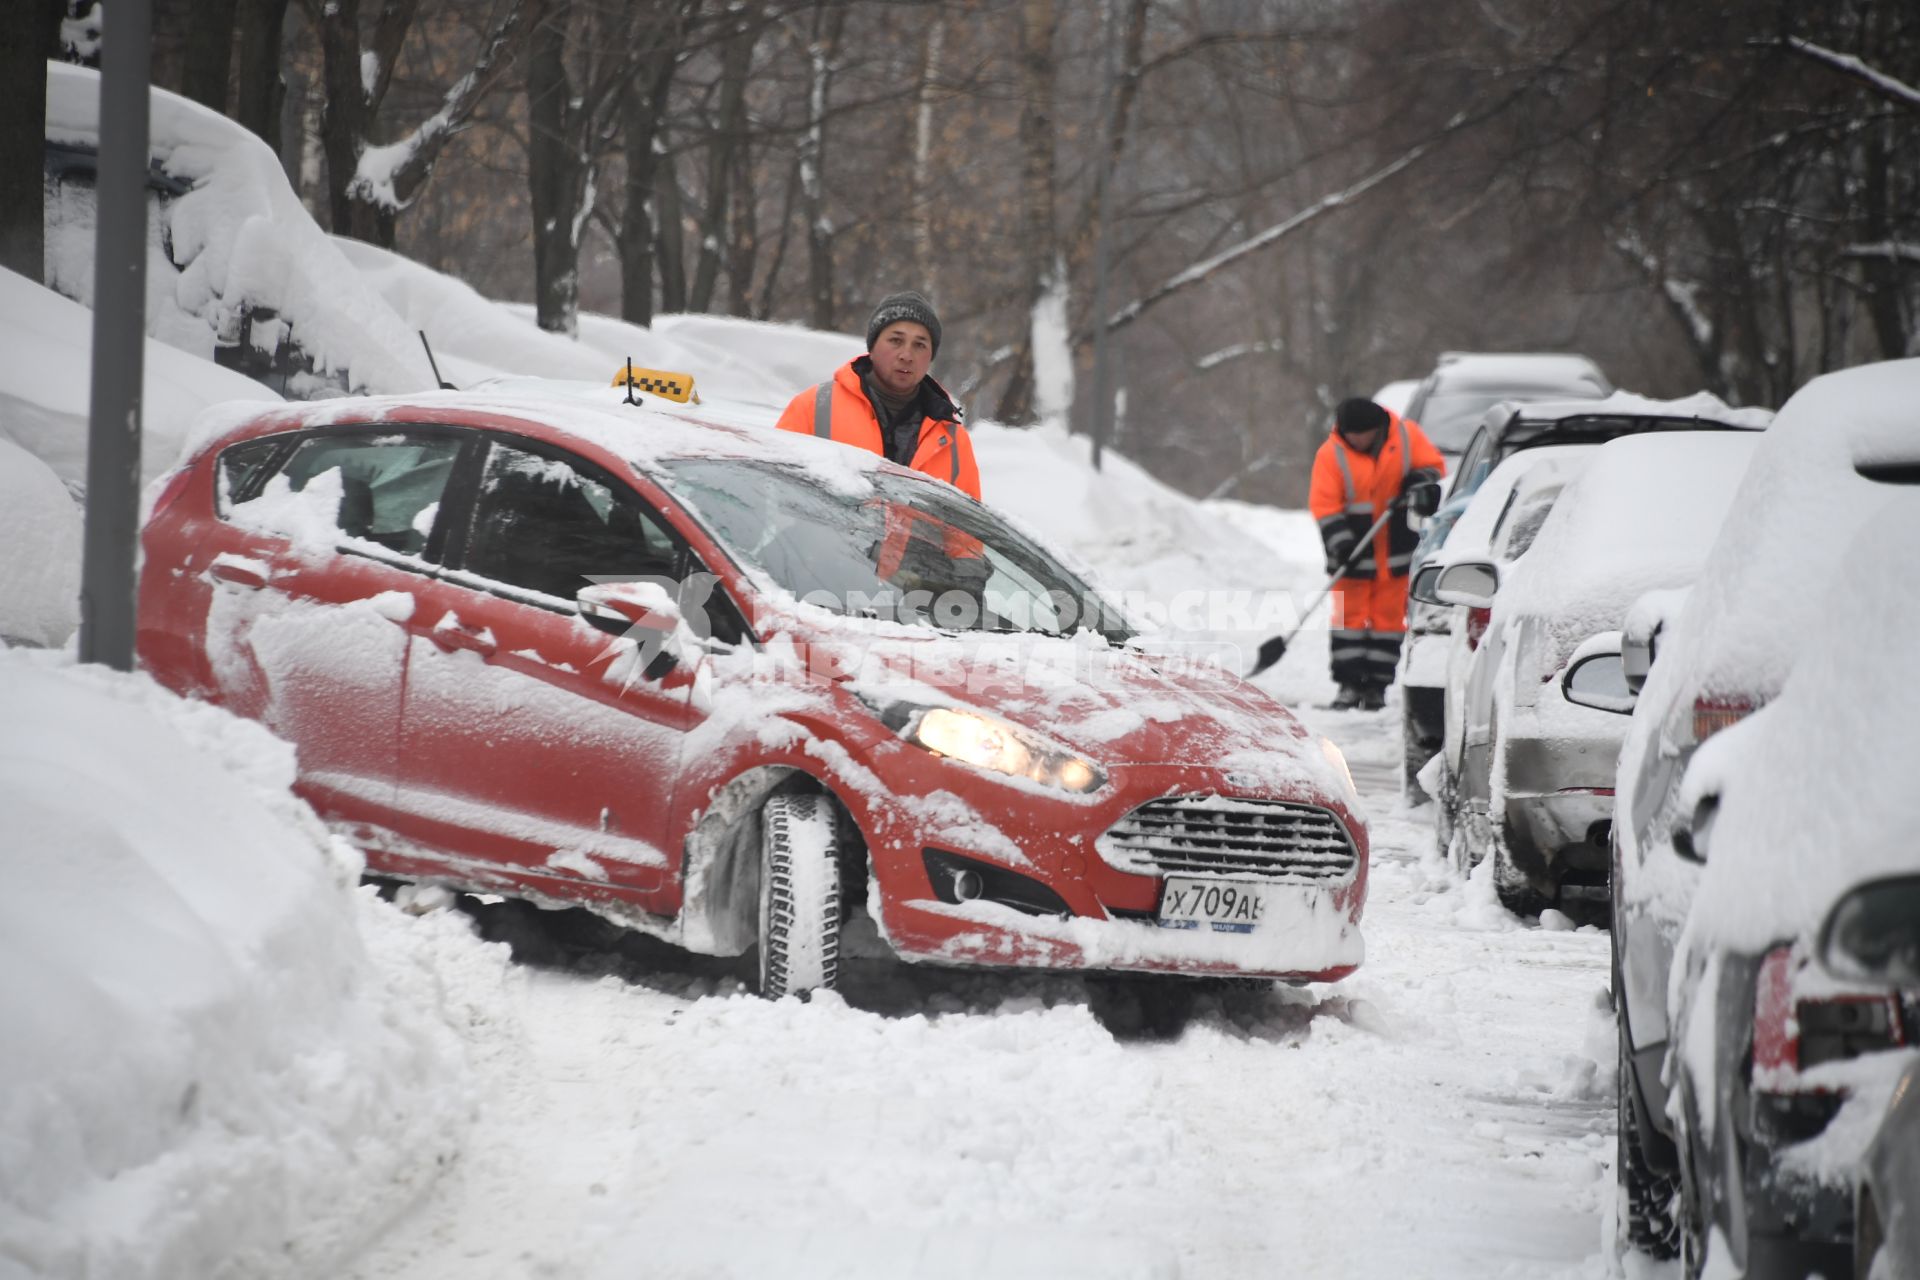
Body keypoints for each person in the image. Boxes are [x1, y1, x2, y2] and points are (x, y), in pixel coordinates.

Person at [1308, 397, 1446, 711]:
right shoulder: (1331, 454)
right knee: (1349, 619)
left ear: (1376, 428)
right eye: (1351, 434)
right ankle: (1348, 684)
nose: (1356, 440)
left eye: (1362, 434)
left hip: (1396, 548)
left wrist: (1418, 481)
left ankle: (1376, 688)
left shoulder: (1407, 436)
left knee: (1388, 621)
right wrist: (1340, 541)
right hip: (1352, 553)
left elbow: (1434, 467)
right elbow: (1324, 504)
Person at [776, 290, 981, 500]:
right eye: (895, 340)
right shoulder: (815, 407)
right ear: (871, 347)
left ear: (930, 357)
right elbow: (772, 491)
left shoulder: (953, 439)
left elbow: (967, 529)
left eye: (919, 345)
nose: (906, 355)